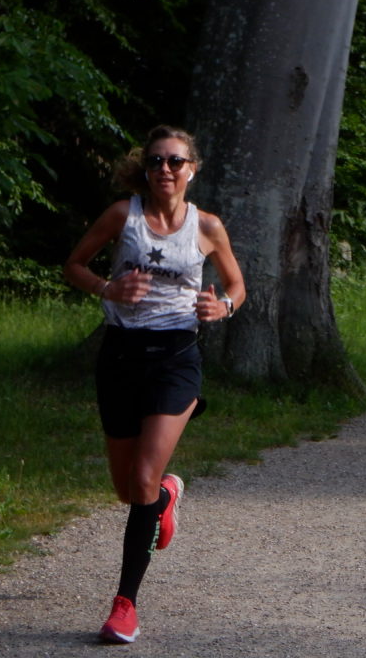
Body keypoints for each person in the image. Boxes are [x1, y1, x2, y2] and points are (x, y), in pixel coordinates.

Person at [64, 124, 245, 644]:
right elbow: (73, 265)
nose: (165, 169)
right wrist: (106, 287)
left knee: (141, 475)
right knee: (130, 490)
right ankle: (166, 497)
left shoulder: (207, 227)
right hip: (120, 358)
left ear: (193, 169)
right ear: (145, 168)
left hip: (176, 359)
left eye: (176, 161)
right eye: (156, 161)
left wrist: (223, 306)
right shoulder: (124, 217)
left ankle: (125, 606)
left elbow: (236, 285)